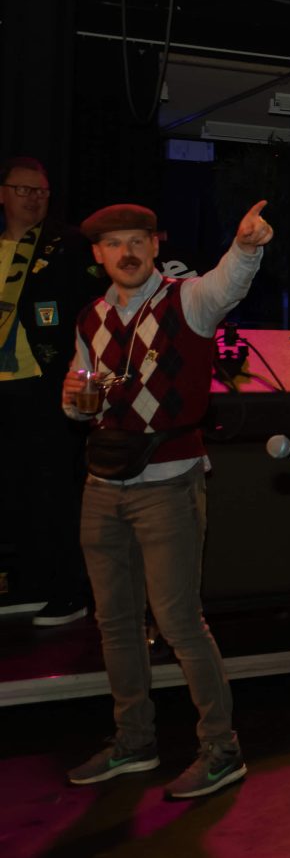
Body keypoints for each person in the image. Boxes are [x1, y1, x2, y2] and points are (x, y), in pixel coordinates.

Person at [62, 197, 272, 799]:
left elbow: (229, 283)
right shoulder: (91, 316)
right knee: (115, 622)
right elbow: (80, 397)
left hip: (169, 481)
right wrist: (75, 401)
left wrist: (246, 246)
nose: (126, 253)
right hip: (103, 484)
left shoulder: (187, 300)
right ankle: (135, 741)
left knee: (179, 621)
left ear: (156, 246)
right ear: (98, 254)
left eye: (137, 241)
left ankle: (221, 749)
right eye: (113, 244)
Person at [0, 155, 95, 626]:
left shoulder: (67, 244)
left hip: (46, 381)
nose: (34, 198)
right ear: (2, 194)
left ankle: (69, 591)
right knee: (13, 489)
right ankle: (28, 585)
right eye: (23, 189)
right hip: (3, 387)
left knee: (54, 489)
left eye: (41, 191)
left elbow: (90, 308)